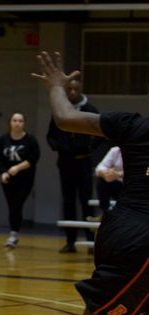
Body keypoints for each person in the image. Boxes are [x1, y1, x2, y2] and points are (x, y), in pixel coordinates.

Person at [0, 50, 149, 315]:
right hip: (141, 243)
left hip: (119, 228)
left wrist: (57, 87)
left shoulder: (135, 125)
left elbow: (65, 118)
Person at [47, 78, 99, 253]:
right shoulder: (60, 112)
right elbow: (50, 136)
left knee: (86, 201)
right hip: (65, 162)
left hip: (83, 160)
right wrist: (59, 147)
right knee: (68, 200)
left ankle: (91, 241)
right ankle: (70, 241)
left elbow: (101, 135)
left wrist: (90, 147)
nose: (73, 92)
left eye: (76, 89)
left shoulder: (90, 110)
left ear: (81, 90)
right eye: (70, 89)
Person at [0, 112, 40, 249]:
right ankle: (13, 233)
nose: (17, 123)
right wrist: (2, 173)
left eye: (20, 120)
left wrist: (18, 168)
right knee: (11, 206)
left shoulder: (30, 140)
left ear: (24, 123)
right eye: (14, 120)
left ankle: (13, 235)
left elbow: (33, 158)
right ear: (10, 123)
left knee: (16, 205)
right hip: (8, 179)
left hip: (25, 180)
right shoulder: (3, 140)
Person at [90, 145, 123, 221]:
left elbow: (143, 173)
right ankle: (105, 212)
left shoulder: (142, 151)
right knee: (102, 181)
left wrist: (118, 174)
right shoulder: (116, 150)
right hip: (120, 185)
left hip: (136, 186)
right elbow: (100, 167)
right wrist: (105, 173)